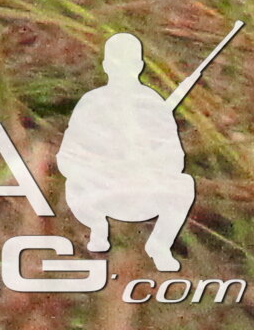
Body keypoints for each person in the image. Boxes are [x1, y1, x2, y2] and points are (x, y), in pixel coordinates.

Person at [60, 33, 198, 273]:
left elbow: (175, 157)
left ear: (139, 66)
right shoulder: (91, 103)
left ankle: (159, 245)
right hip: (99, 190)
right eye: (116, 64)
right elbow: (67, 157)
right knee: (73, 184)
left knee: (184, 185)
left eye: (129, 64)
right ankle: (97, 229)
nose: (122, 71)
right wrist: (99, 166)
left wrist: (149, 160)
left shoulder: (152, 103)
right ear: (105, 66)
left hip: (143, 190)